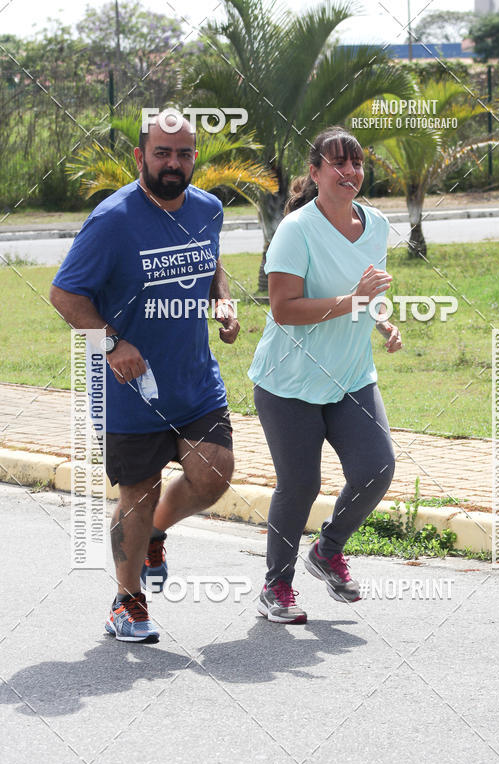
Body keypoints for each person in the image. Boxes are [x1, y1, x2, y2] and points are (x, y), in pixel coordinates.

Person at [50, 110, 240, 643]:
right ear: (140, 157)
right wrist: (111, 342)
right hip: (129, 388)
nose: (173, 163)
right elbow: (65, 294)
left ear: (194, 156)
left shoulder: (208, 209)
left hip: (194, 379)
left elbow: (209, 264)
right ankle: (126, 600)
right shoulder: (112, 220)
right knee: (136, 491)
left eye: (183, 154)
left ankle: (157, 530)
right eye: (162, 153)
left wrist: (221, 303)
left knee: (215, 474)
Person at [248, 125, 402, 625]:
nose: (349, 172)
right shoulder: (296, 230)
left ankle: (328, 549)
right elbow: (284, 309)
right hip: (289, 382)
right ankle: (276, 588)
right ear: (314, 174)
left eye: (356, 162)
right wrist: (354, 301)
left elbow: (368, 290)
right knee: (300, 485)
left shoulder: (375, 224)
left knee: (376, 468)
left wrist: (382, 321)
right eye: (337, 163)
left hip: (352, 376)